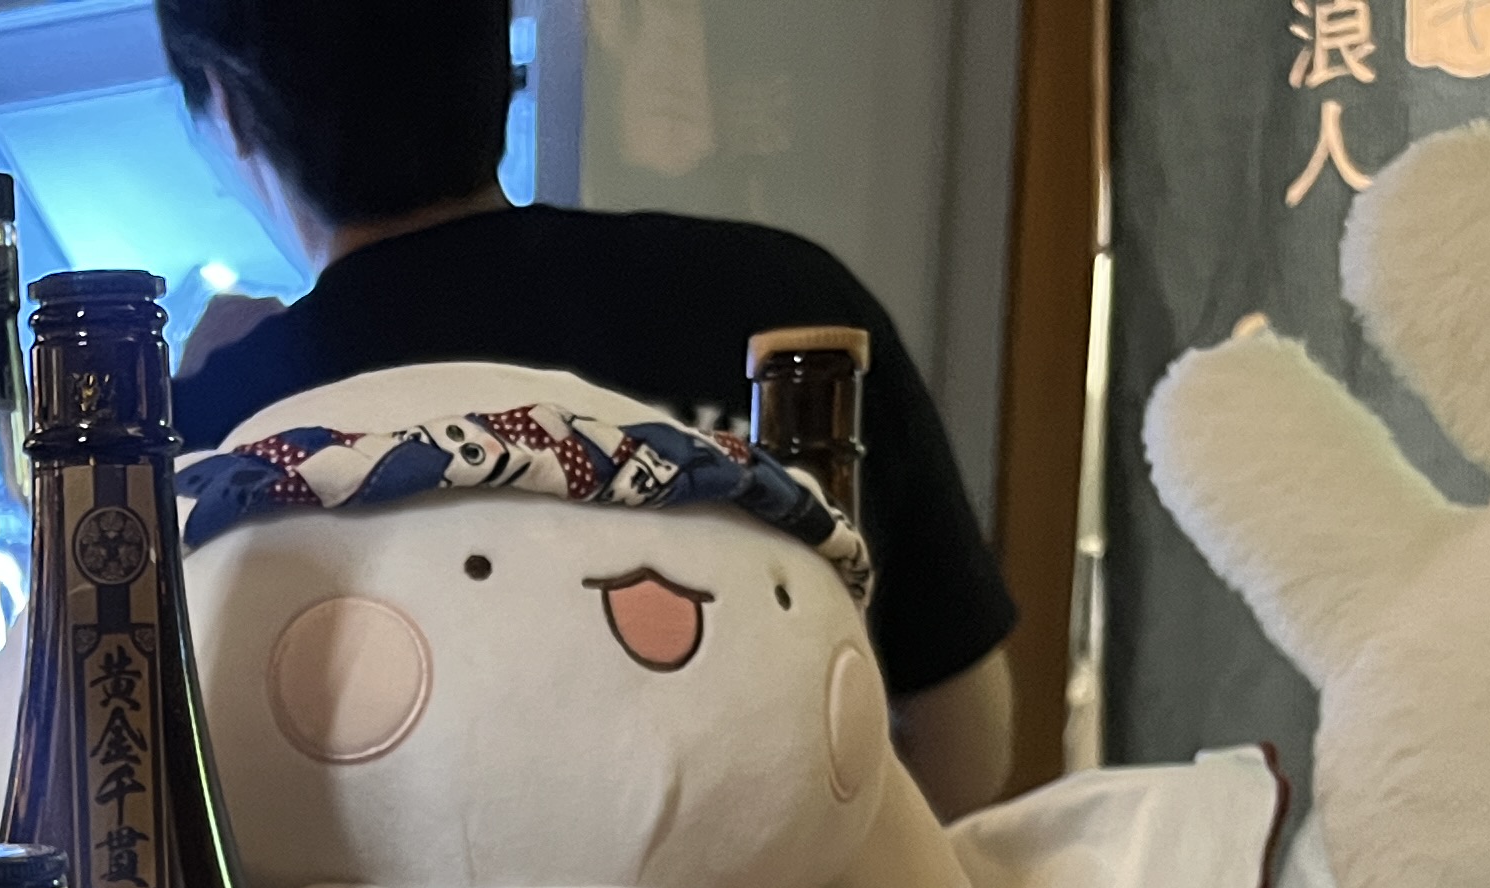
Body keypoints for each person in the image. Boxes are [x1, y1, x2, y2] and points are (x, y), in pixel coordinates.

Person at [158, 0, 1021, 817]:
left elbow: (145, 788)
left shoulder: (220, 428)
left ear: (228, 108)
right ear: (495, 57)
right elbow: (967, 745)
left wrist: (178, 419)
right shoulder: (788, 309)